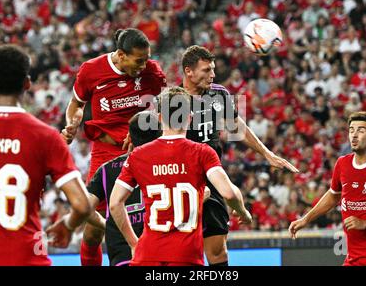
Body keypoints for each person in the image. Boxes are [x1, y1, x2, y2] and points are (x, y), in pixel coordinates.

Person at [0, 45, 92, 265]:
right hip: (28, 258)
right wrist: (68, 225)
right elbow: (82, 205)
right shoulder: (47, 136)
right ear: (27, 83)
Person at [180, 45, 298, 265]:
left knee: (218, 252)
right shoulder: (173, 101)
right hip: (181, 181)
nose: (212, 75)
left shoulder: (219, 94)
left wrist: (267, 153)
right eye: (206, 70)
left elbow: (236, 126)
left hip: (212, 177)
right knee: (183, 253)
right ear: (189, 71)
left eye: (213, 69)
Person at [110, 87, 252, 266]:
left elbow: (115, 203)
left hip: (147, 254)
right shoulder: (202, 152)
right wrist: (243, 212)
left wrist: (133, 243)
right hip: (185, 256)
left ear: (160, 119)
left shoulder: (137, 155)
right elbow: (229, 193)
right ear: (189, 117)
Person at [61, 28, 166, 266]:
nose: (143, 65)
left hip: (142, 150)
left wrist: (142, 127)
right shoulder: (91, 71)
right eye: (138, 60)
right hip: (105, 153)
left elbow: (161, 107)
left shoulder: (152, 72)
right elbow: (76, 104)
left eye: (146, 59)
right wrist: (72, 122)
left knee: (150, 215)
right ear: (120, 55)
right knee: (93, 227)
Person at [289, 111, 366, 266]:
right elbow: (333, 195)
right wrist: (305, 219)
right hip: (355, 255)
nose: (354, 135)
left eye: (360, 131)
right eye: (351, 130)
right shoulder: (342, 164)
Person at [86, 110, 162, 266]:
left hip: (124, 255)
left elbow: (83, 209)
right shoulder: (169, 164)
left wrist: (108, 224)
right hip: (162, 252)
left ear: (129, 138)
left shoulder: (107, 169)